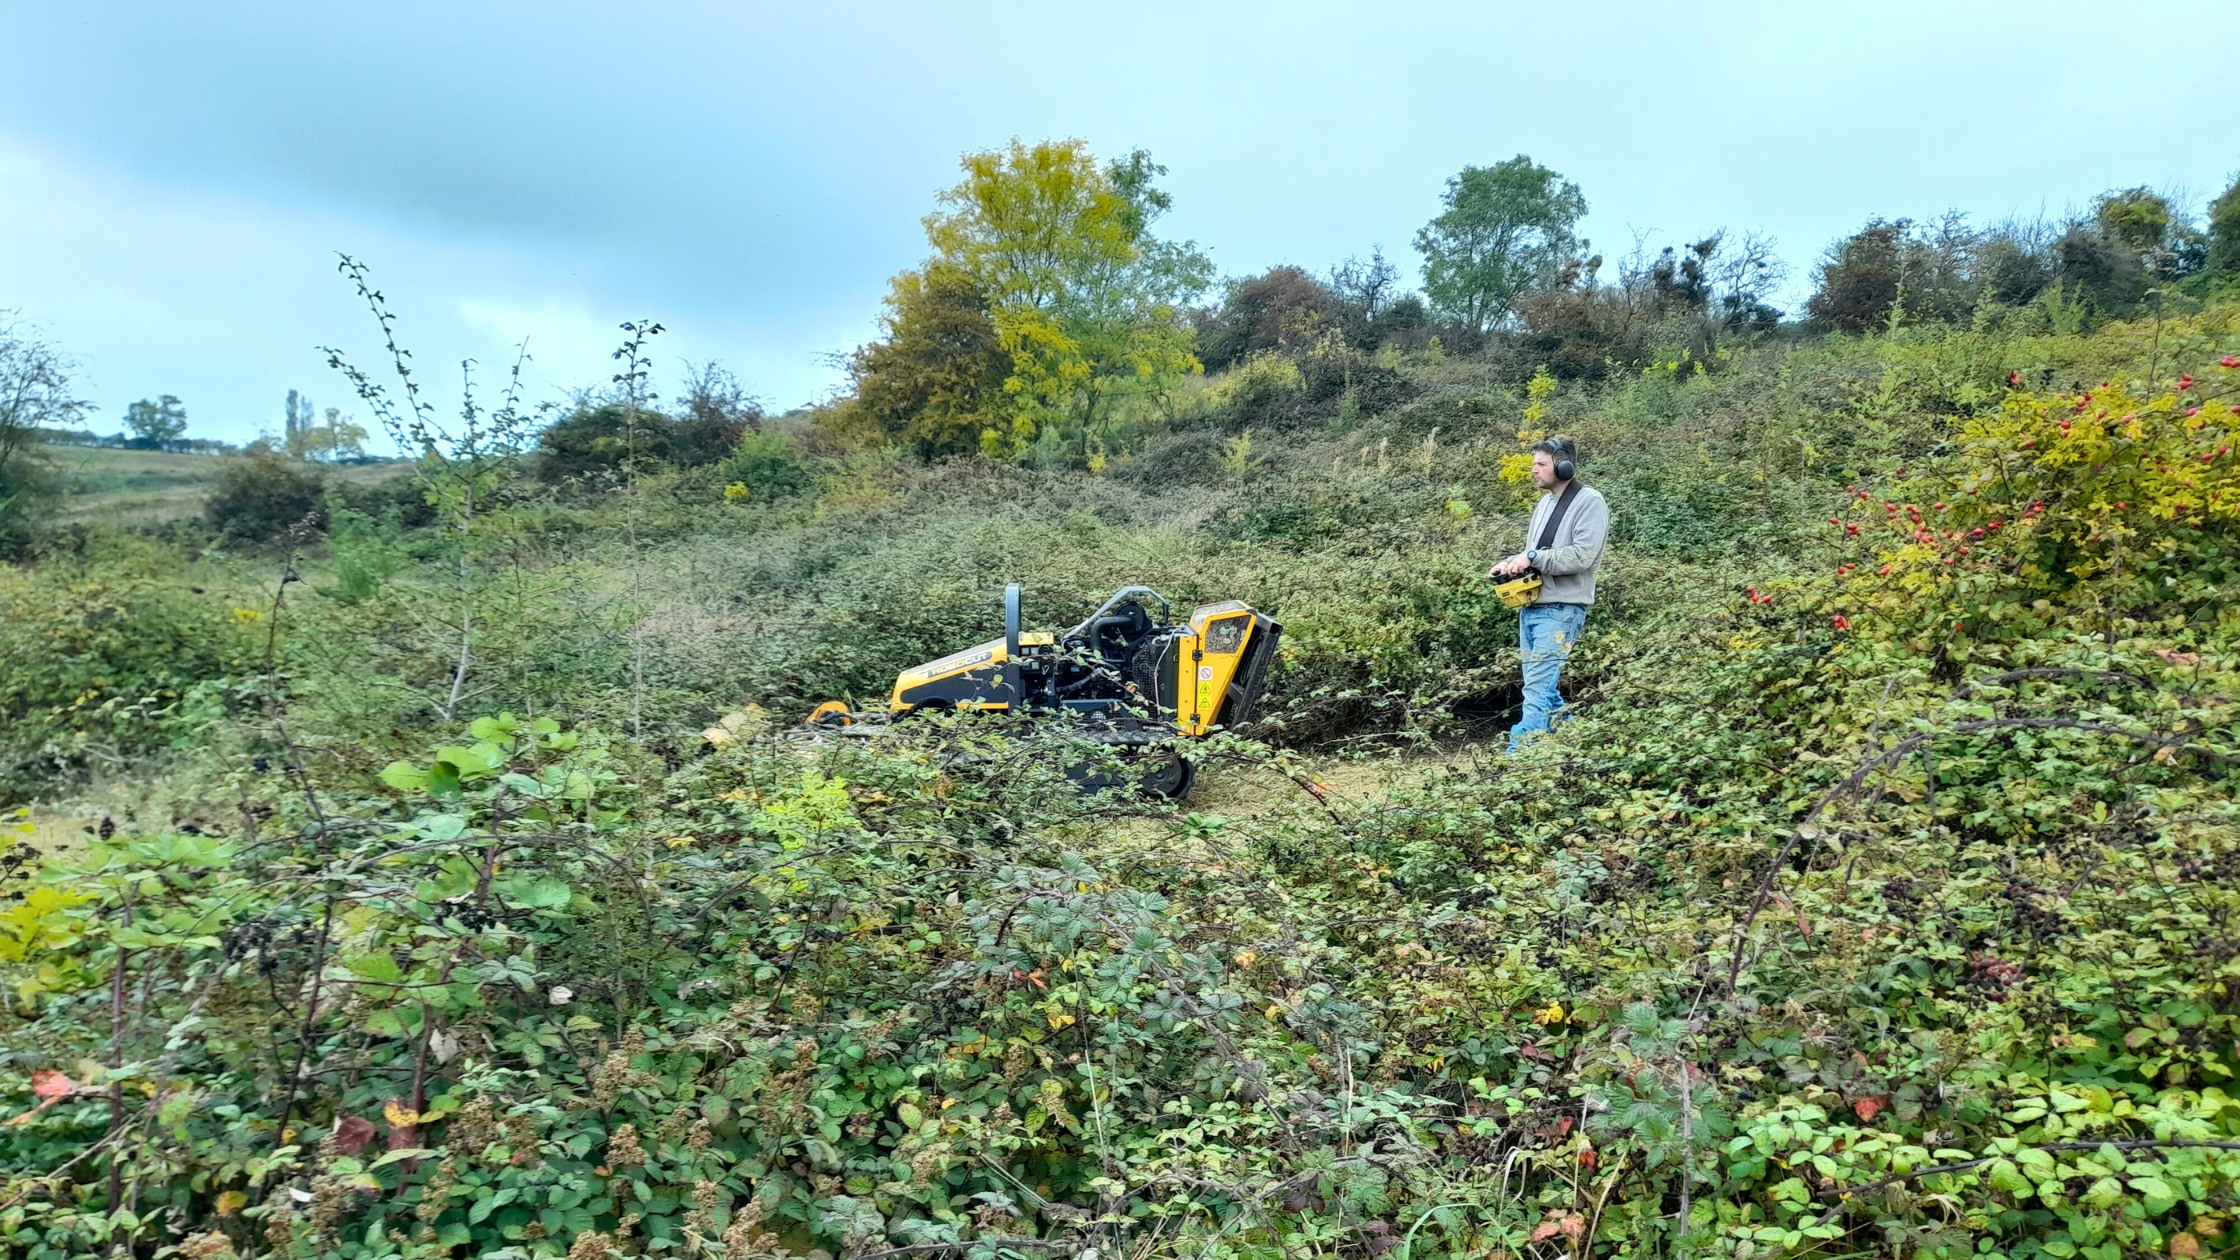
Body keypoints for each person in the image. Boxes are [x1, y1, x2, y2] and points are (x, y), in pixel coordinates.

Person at [1487, 436, 1609, 753]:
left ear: (1564, 466)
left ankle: (1515, 763)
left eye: (1541, 464)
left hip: (1561, 611)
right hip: (1533, 607)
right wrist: (1512, 563)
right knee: (1545, 690)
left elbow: (1583, 556)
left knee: (1537, 691)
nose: (1533, 470)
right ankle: (1578, 751)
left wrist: (1534, 559)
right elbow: (1537, 553)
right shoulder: (1545, 503)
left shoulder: (1590, 502)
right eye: (1534, 464)